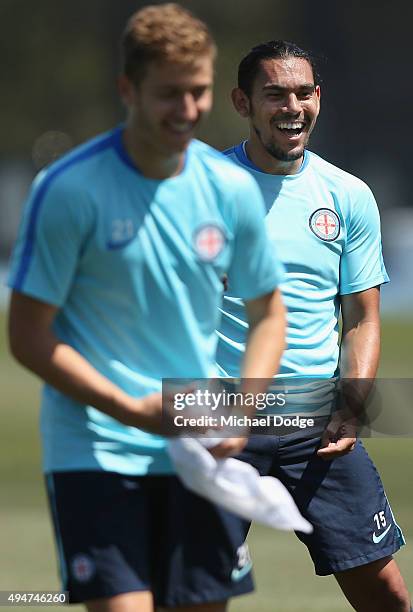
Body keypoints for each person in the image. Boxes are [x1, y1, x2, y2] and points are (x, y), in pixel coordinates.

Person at [6, 8, 286, 612]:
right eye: (168, 94)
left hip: (199, 446)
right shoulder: (69, 189)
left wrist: (242, 407)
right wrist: (130, 409)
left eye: (198, 91)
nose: (187, 110)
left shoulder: (230, 188)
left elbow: (269, 313)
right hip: (97, 449)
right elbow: (28, 335)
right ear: (127, 89)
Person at [216, 40, 411, 611]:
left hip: (316, 419)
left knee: (388, 596)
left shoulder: (348, 195)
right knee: (193, 595)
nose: (291, 106)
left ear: (318, 99)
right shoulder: (199, 188)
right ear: (242, 102)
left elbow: (362, 318)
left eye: (303, 93)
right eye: (274, 93)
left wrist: (353, 403)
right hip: (217, 414)